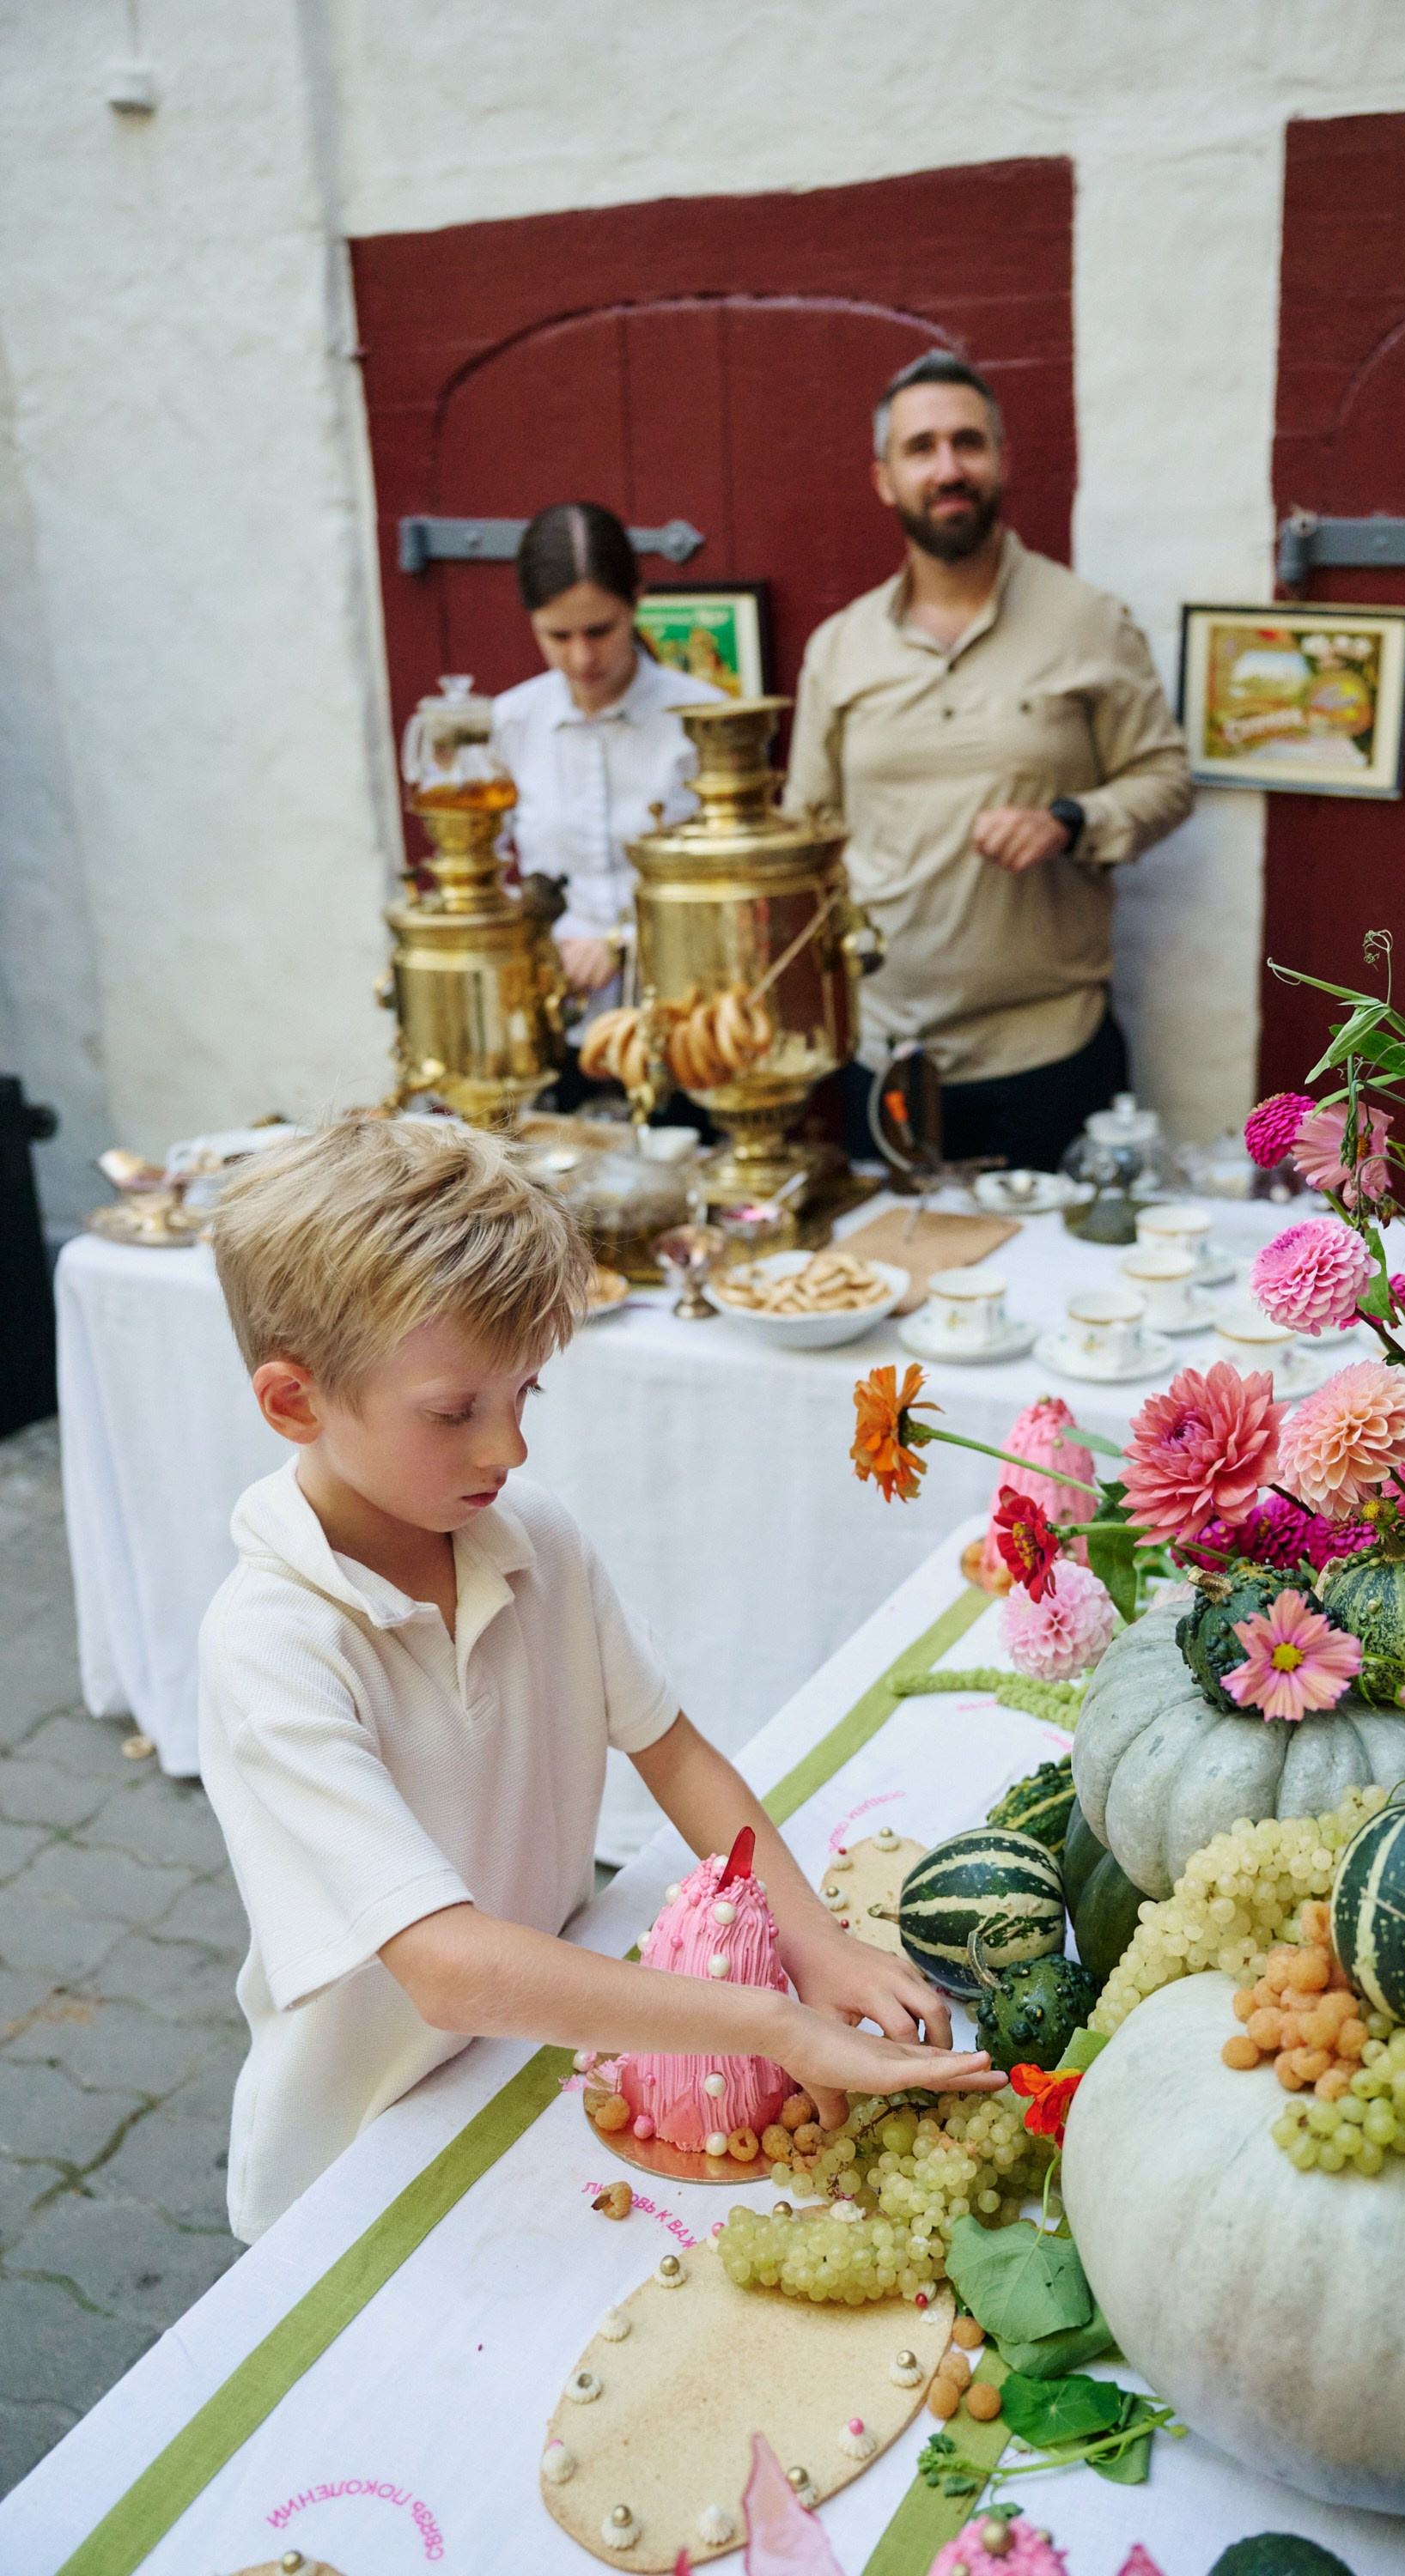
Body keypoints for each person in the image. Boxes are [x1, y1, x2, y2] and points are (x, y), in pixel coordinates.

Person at [200, 1118, 996, 2243]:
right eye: (455, 1412)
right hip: (360, 2152)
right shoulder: (271, 1646)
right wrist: (768, 2021)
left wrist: (812, 1936)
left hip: (546, 2057)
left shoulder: (535, 1537)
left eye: (525, 1395)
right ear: (295, 1403)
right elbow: (446, 1966)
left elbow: (670, 1750)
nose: (508, 1451)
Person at [787, 351, 1195, 1174]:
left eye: (967, 443)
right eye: (921, 448)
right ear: (884, 477)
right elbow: (807, 836)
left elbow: (1166, 782)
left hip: (1046, 1054)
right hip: (886, 1059)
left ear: (1001, 461)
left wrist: (1069, 820)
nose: (947, 468)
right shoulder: (840, 648)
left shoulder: (1089, 620)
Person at [490, 501, 728, 1039]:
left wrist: (623, 941)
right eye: (558, 636)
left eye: (600, 631)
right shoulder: (510, 722)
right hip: (550, 1018)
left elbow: (721, 880)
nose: (580, 659)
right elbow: (487, 870)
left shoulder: (701, 719)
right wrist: (542, 941)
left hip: (684, 1014)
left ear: (636, 603)